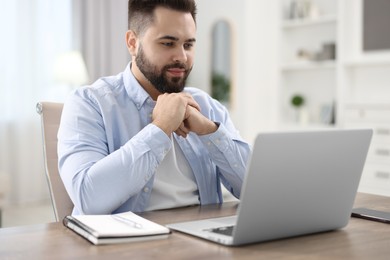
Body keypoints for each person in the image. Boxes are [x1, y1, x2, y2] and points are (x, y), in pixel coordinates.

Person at [58, 0, 251, 215]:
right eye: (168, 43)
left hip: (203, 238)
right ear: (132, 42)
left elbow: (254, 190)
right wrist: (160, 128)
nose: (182, 57)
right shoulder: (88, 103)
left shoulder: (206, 106)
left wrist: (209, 130)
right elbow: (88, 198)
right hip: (125, 243)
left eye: (188, 44)